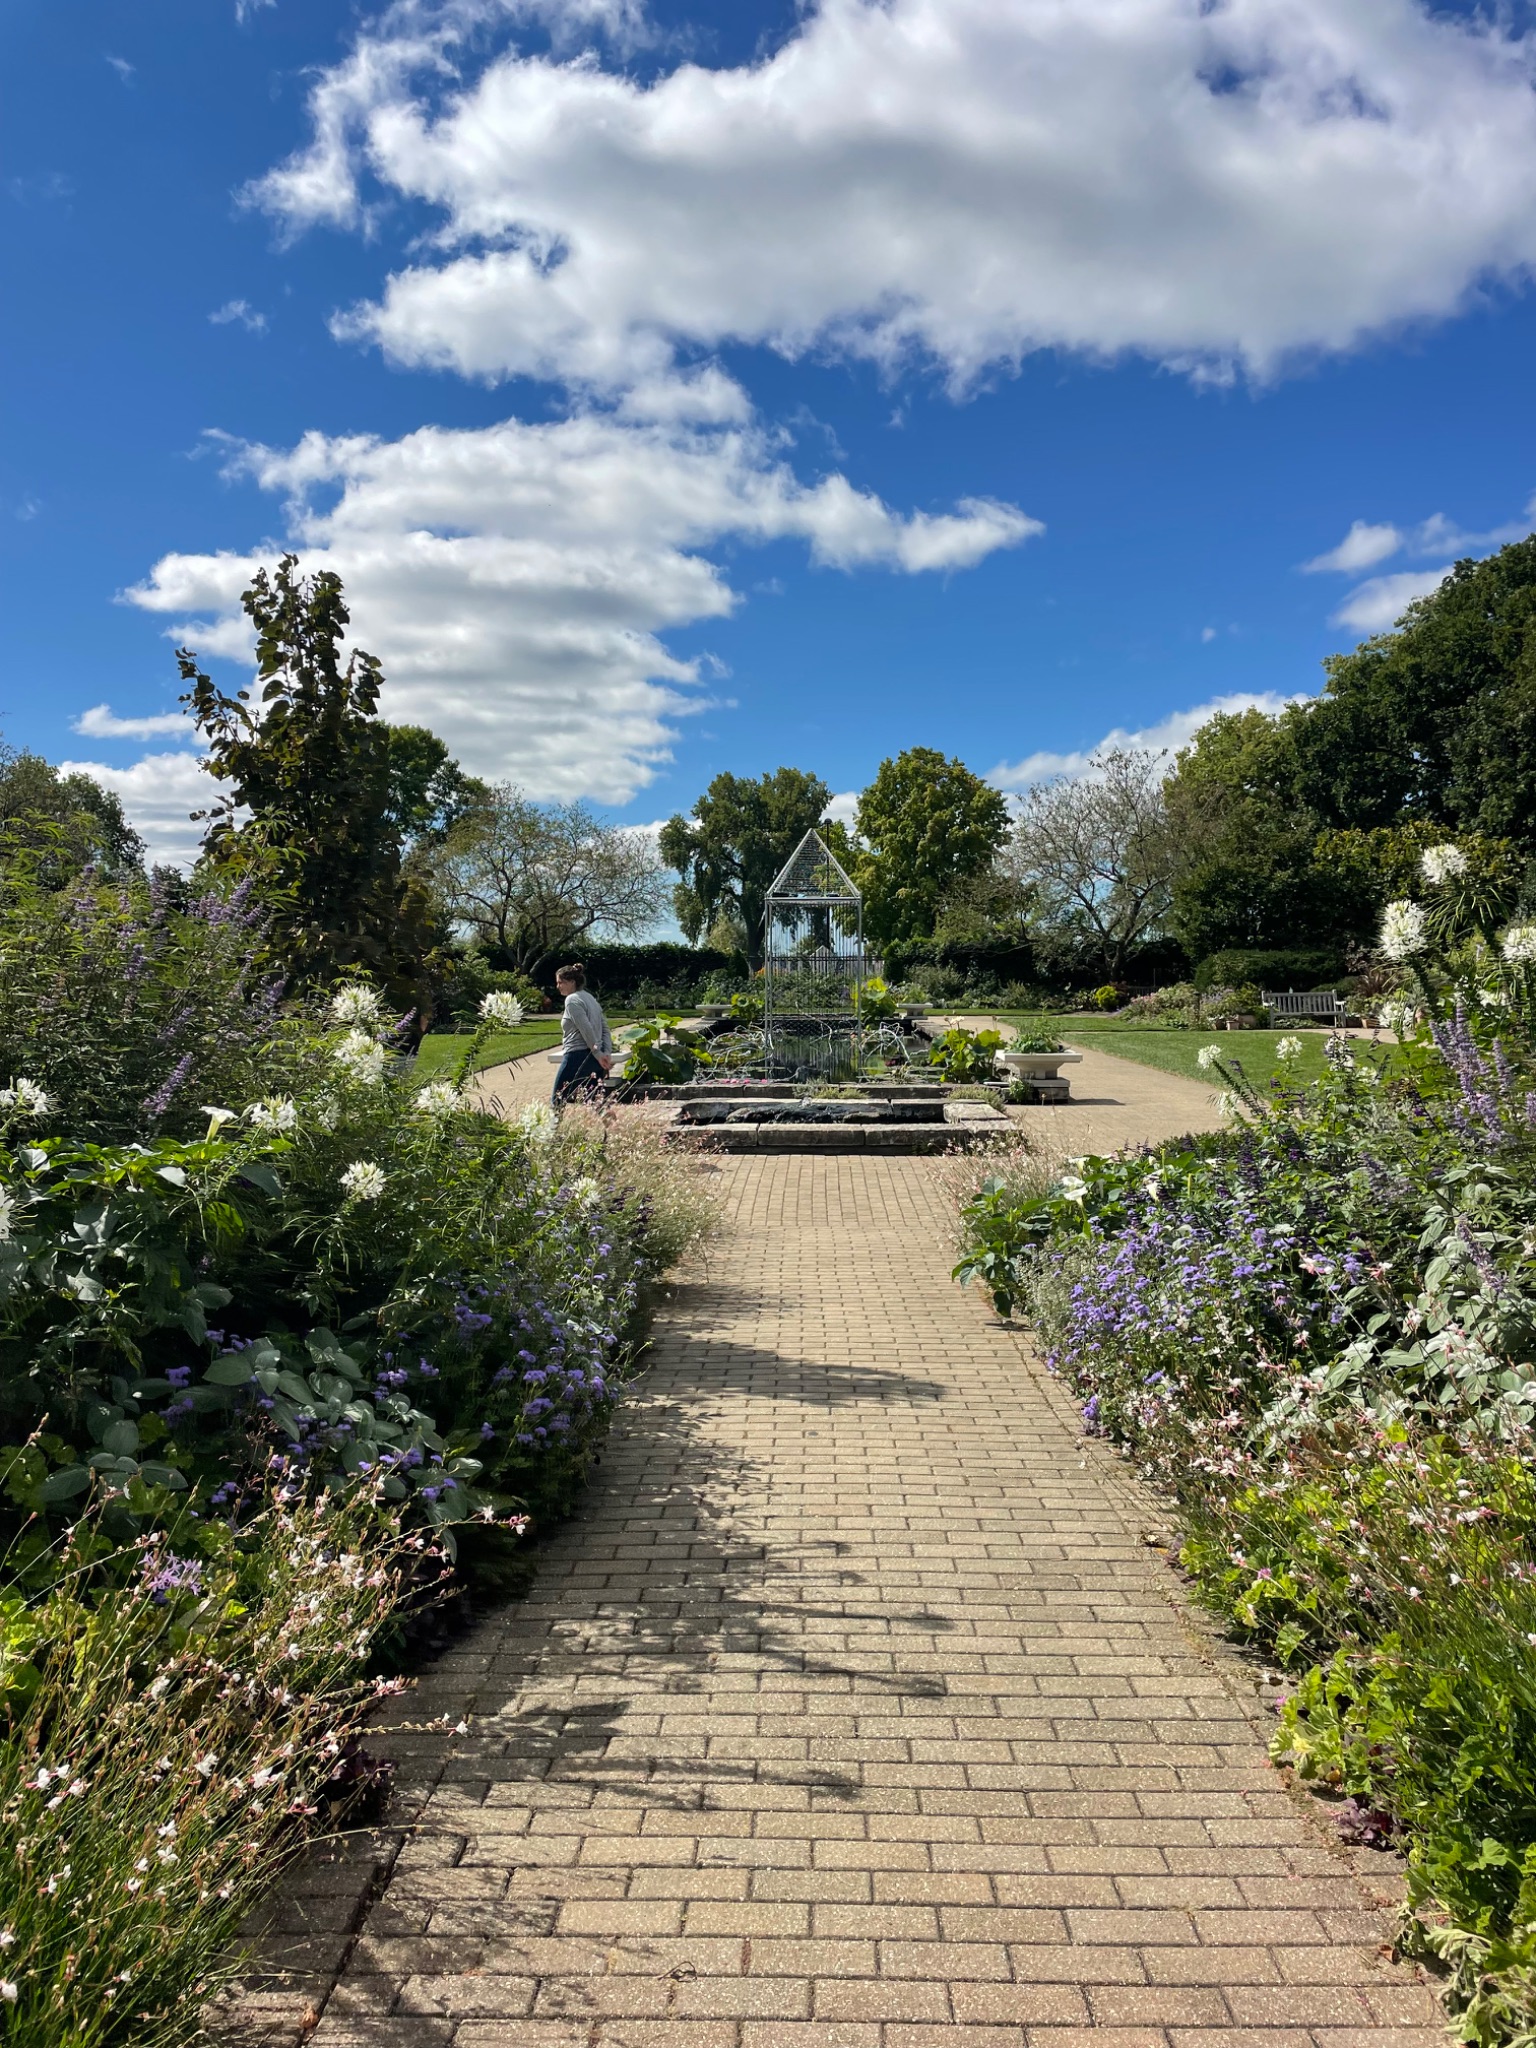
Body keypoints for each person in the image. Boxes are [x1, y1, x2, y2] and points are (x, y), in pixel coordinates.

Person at [551, 962, 614, 1105]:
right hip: (593, 1058)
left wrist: (599, 1055)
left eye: (561, 982)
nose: (558, 986)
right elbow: (604, 1028)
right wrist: (606, 1053)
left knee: (558, 1099)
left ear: (572, 982)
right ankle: (614, 1127)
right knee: (598, 1102)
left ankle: (553, 1127)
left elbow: (586, 1029)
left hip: (576, 1056)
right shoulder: (590, 998)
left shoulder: (572, 1000)